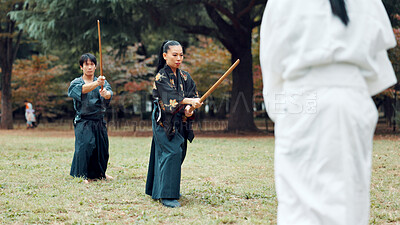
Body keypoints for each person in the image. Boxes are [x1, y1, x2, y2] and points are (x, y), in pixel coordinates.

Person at [260, 0, 397, 224]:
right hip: (353, 98)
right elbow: (379, 68)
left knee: (299, 199)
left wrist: (284, 112)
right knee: (352, 194)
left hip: (302, 95)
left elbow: (273, 63)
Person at [145, 40, 202, 208]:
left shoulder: (186, 77)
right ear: (165, 56)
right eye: (174, 55)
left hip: (180, 122)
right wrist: (191, 100)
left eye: (181, 55)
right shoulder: (160, 76)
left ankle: (159, 189)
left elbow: (188, 103)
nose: (178, 58)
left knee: (180, 152)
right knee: (172, 152)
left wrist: (189, 110)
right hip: (164, 121)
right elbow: (170, 99)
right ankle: (168, 195)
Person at [68, 53, 113, 184]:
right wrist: (96, 83)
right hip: (84, 120)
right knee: (85, 146)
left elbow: (110, 93)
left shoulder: (102, 82)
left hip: (99, 120)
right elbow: (80, 91)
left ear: (95, 66)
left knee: (102, 148)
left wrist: (106, 94)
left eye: (92, 64)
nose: (89, 67)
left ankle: (100, 173)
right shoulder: (77, 82)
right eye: (86, 64)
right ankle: (80, 175)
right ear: (81, 67)